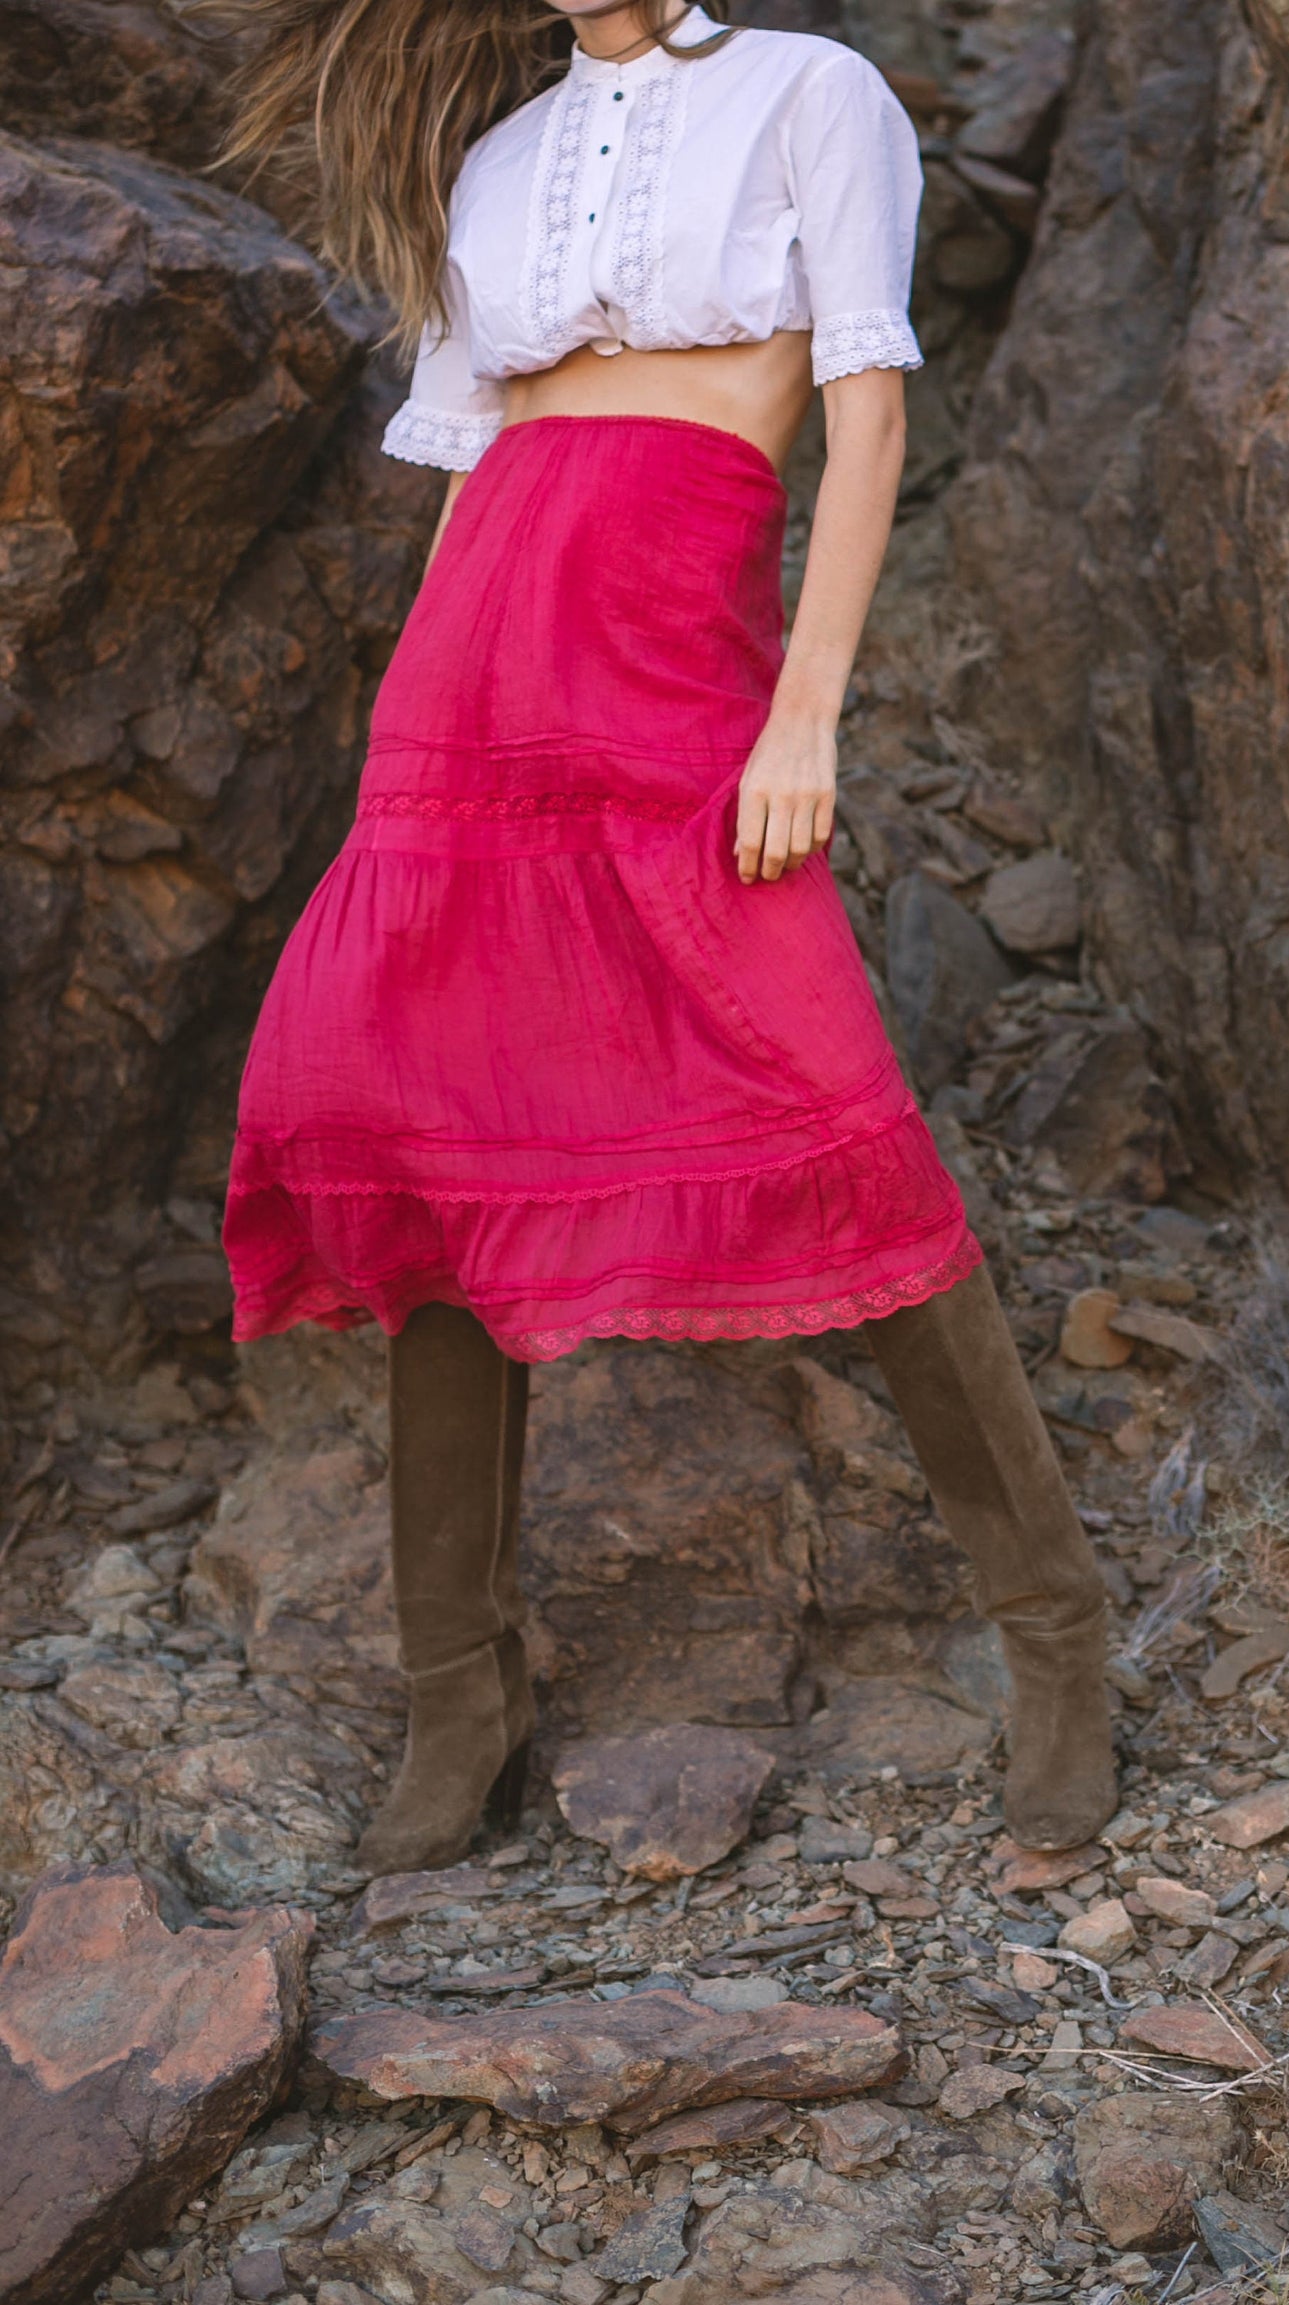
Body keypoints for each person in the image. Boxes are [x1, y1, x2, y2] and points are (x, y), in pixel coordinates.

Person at [212, 0, 1117, 1876]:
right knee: (419, 1136)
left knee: (828, 1103)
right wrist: (422, 734)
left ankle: (1058, 1642)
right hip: (474, 671)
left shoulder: (812, 91)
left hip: (680, 649)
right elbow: (481, 464)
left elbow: (864, 406)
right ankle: (458, 1688)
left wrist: (809, 707)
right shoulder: (500, 156)